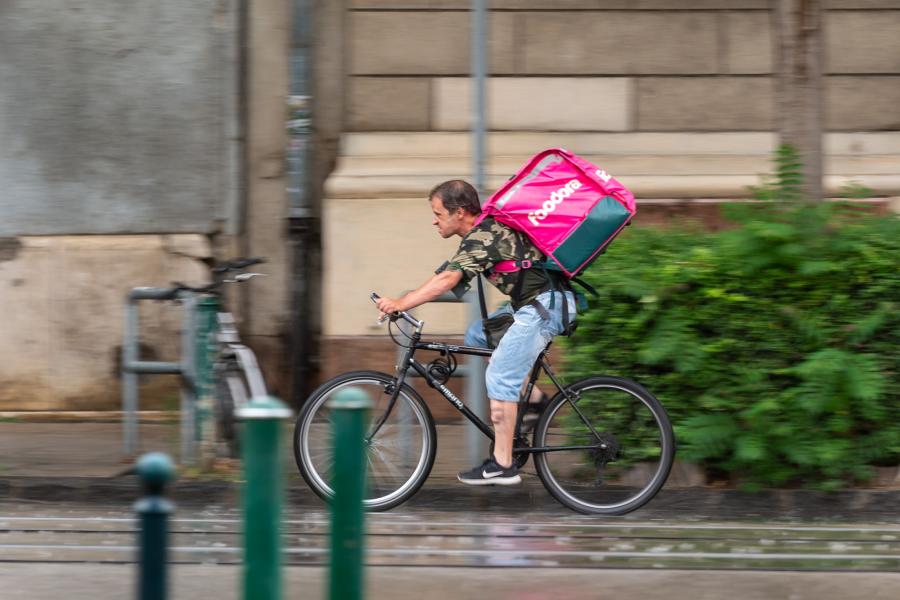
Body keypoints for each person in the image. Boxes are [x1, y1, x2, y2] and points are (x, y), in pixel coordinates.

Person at [375, 179, 576, 486]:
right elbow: (446, 277)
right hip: (534, 304)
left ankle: (503, 464)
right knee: (478, 336)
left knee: (501, 377)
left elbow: (446, 281)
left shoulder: (485, 235)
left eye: (438, 213)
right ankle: (534, 400)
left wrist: (401, 303)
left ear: (460, 212)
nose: (434, 220)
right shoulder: (479, 235)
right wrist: (406, 300)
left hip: (545, 306)